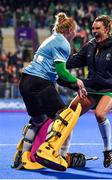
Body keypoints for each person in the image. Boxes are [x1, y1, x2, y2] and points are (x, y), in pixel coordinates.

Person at [12, 12, 87, 170]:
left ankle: (22, 156)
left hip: (26, 82)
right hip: (40, 82)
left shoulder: (51, 39)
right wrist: (78, 81)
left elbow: (57, 78)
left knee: (38, 120)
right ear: (69, 31)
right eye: (76, 30)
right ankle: (51, 153)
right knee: (64, 116)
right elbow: (61, 73)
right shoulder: (63, 43)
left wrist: (75, 86)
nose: (77, 33)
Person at [65, 15, 112, 168]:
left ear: (106, 29)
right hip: (93, 86)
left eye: (97, 28)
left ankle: (107, 150)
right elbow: (74, 61)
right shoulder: (89, 46)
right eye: (93, 28)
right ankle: (62, 152)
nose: (94, 31)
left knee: (100, 113)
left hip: (111, 87)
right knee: (69, 113)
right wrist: (57, 63)